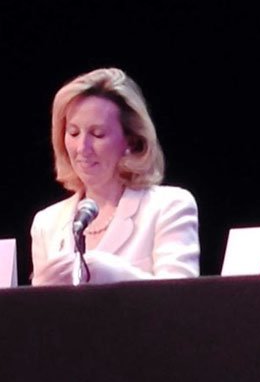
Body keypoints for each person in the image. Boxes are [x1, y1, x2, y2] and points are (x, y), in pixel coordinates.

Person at [31, 67, 200, 285]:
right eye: (73, 133)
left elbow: (183, 301)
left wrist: (116, 274)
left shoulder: (169, 206)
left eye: (98, 134)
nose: (83, 147)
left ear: (131, 140)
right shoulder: (47, 223)